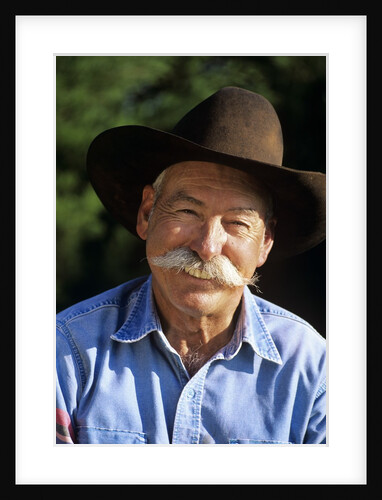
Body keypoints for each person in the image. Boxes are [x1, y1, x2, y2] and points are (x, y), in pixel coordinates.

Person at [56, 86, 326, 445]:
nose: (207, 247)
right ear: (147, 213)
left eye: (236, 223)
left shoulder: (313, 369)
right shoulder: (65, 351)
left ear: (265, 242)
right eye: (187, 212)